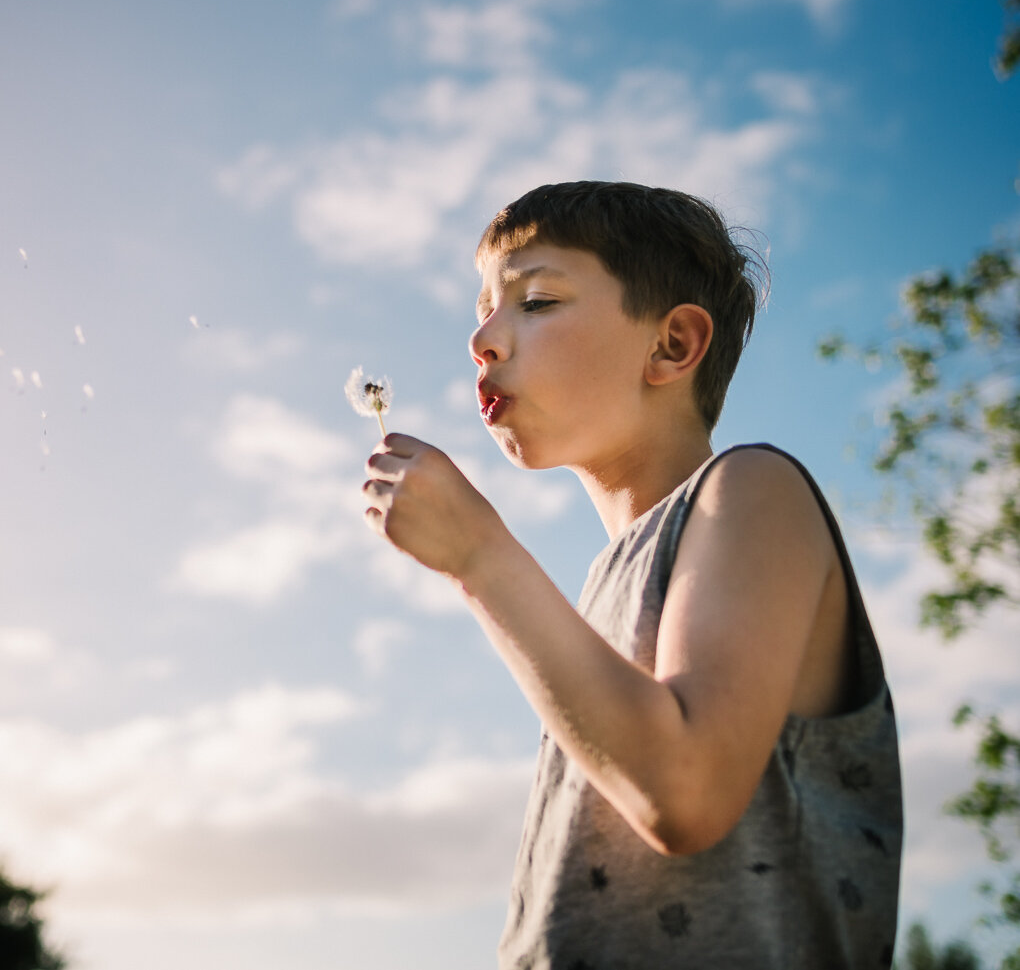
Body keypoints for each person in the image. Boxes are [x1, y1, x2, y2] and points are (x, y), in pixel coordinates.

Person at [360, 181, 902, 968]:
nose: (483, 337)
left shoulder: (752, 493)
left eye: (536, 300)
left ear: (673, 345)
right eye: (482, 308)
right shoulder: (600, 588)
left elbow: (684, 792)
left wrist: (479, 557)